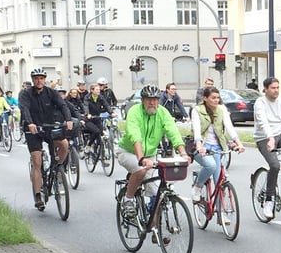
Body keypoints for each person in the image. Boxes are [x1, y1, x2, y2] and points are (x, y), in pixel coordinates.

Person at [116, 84, 188, 220]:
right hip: (128, 152)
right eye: (148, 99)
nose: (152, 102)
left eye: (155, 99)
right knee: (140, 170)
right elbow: (134, 135)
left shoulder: (162, 112)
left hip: (150, 155)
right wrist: (141, 158)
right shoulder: (134, 111)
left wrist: (183, 153)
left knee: (157, 196)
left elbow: (173, 132)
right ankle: (128, 199)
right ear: (142, 100)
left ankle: (154, 230)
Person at [19, 69, 74, 210]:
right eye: (36, 78)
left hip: (48, 127)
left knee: (64, 144)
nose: (39, 81)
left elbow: (63, 105)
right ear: (33, 80)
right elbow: (24, 109)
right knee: (37, 161)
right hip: (32, 129)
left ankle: (58, 166)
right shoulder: (26, 94)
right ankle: (38, 195)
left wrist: (68, 119)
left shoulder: (51, 93)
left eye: (41, 78)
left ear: (45, 79)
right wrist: (30, 123)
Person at [253, 77, 281, 218]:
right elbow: (263, 122)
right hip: (264, 137)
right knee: (274, 166)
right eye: (273, 88)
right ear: (265, 89)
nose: (276, 90)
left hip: (280, 135)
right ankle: (269, 200)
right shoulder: (260, 103)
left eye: (278, 87)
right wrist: (270, 138)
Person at [189, 85, 245, 202]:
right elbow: (197, 130)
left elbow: (229, 127)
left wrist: (238, 143)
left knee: (219, 181)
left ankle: (221, 213)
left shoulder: (222, 109)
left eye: (218, 98)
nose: (216, 100)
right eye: (213, 98)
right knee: (211, 165)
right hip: (202, 146)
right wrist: (199, 146)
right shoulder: (197, 110)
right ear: (205, 98)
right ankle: (198, 186)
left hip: (218, 147)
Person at [81, 82, 112, 152]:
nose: (99, 91)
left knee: (101, 134)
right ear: (92, 90)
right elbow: (85, 106)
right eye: (97, 90)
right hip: (88, 120)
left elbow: (106, 105)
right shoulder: (87, 98)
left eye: (99, 90)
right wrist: (87, 114)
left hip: (97, 118)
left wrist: (111, 112)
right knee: (96, 131)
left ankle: (100, 154)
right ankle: (88, 145)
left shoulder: (100, 97)